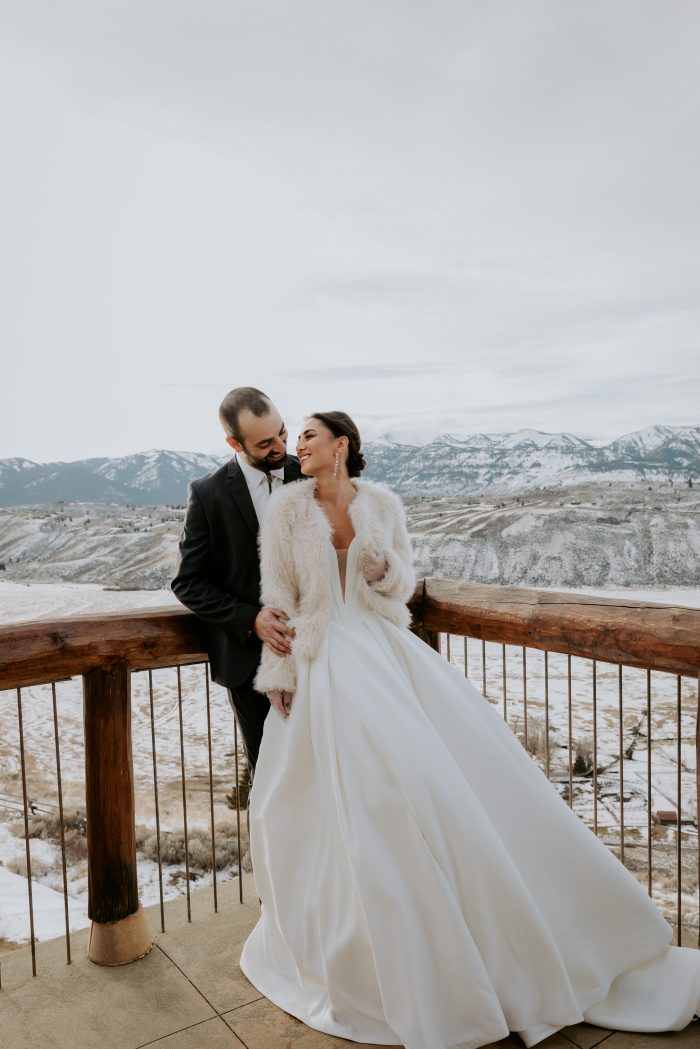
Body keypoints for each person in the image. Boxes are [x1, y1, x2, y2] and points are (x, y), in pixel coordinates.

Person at [239, 410, 700, 1049]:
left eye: (311, 436)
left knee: (430, 782)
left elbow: (401, 584)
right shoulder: (286, 512)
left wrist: (379, 573)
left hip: (379, 648)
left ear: (340, 445)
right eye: (299, 440)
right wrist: (279, 672)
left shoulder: (381, 503)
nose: (300, 446)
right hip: (321, 661)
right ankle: (358, 951)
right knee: (331, 803)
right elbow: (278, 600)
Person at [171, 387, 302, 772]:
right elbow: (188, 582)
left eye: (282, 433)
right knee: (271, 778)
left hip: (320, 651)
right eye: (265, 443)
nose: (280, 447)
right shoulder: (208, 494)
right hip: (250, 667)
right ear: (233, 442)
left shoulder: (309, 475)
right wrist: (250, 619)